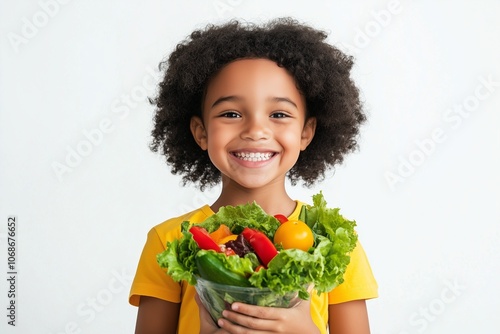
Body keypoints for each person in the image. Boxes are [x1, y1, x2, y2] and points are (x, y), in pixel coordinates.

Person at [129, 17, 378, 334]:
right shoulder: (169, 241)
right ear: (201, 132)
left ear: (306, 132)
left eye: (279, 114)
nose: (256, 131)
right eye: (231, 114)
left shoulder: (336, 244)